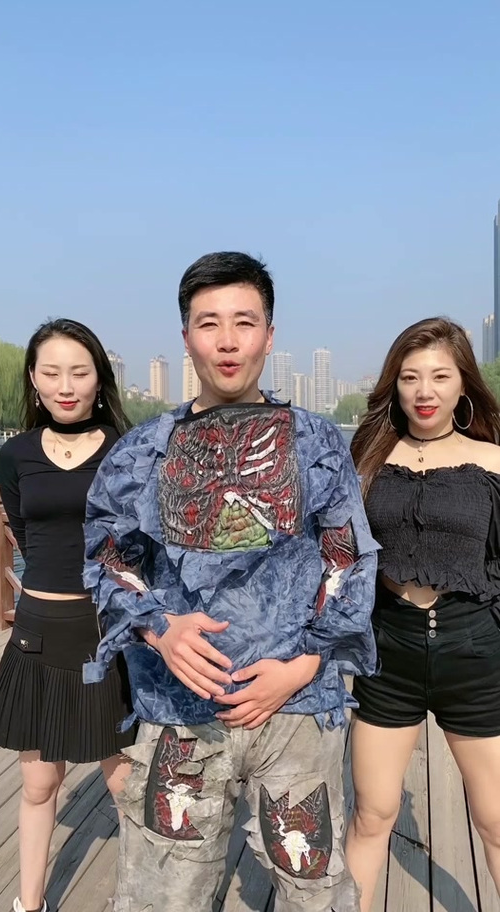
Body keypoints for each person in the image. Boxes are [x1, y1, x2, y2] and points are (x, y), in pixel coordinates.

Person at [82, 251, 379, 912]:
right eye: (208, 322)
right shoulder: (142, 452)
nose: (226, 340)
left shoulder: (316, 443)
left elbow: (347, 561)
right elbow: (106, 555)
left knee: (312, 888)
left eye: (243, 322)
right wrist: (159, 630)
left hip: (296, 710)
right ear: (185, 336)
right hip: (180, 710)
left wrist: (304, 664)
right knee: (164, 894)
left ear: (268, 336)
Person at [345, 317, 500, 911]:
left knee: (494, 820)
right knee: (373, 813)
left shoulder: (491, 461)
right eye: (410, 377)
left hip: (475, 652)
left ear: (464, 385)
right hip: (390, 652)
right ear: (395, 385)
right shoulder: (367, 458)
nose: (424, 391)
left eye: (440, 376)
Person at [0, 319, 136, 912]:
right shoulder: (17, 453)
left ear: (99, 378)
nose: (65, 386)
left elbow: (139, 541)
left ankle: (144, 897)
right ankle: (29, 902)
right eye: (51, 373)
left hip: (103, 630)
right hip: (36, 632)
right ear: (34, 378)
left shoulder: (126, 448)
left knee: (123, 782)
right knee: (39, 782)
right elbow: (25, 534)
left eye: (79, 372)